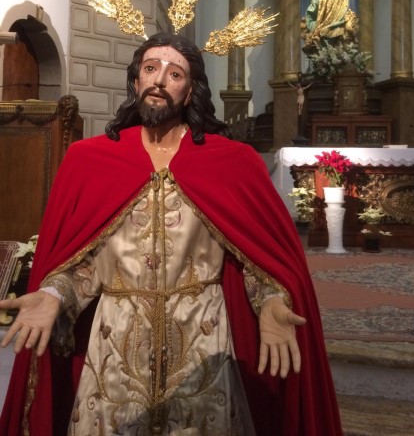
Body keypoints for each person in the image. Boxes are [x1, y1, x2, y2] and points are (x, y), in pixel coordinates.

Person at [0, 33, 343, 436]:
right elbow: (85, 266)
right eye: (150, 69)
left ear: (191, 90)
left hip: (203, 347)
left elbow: (251, 261)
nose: (160, 80)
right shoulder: (91, 160)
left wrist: (271, 300)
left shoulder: (229, 163)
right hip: (113, 355)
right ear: (136, 82)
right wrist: (54, 293)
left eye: (175, 73)